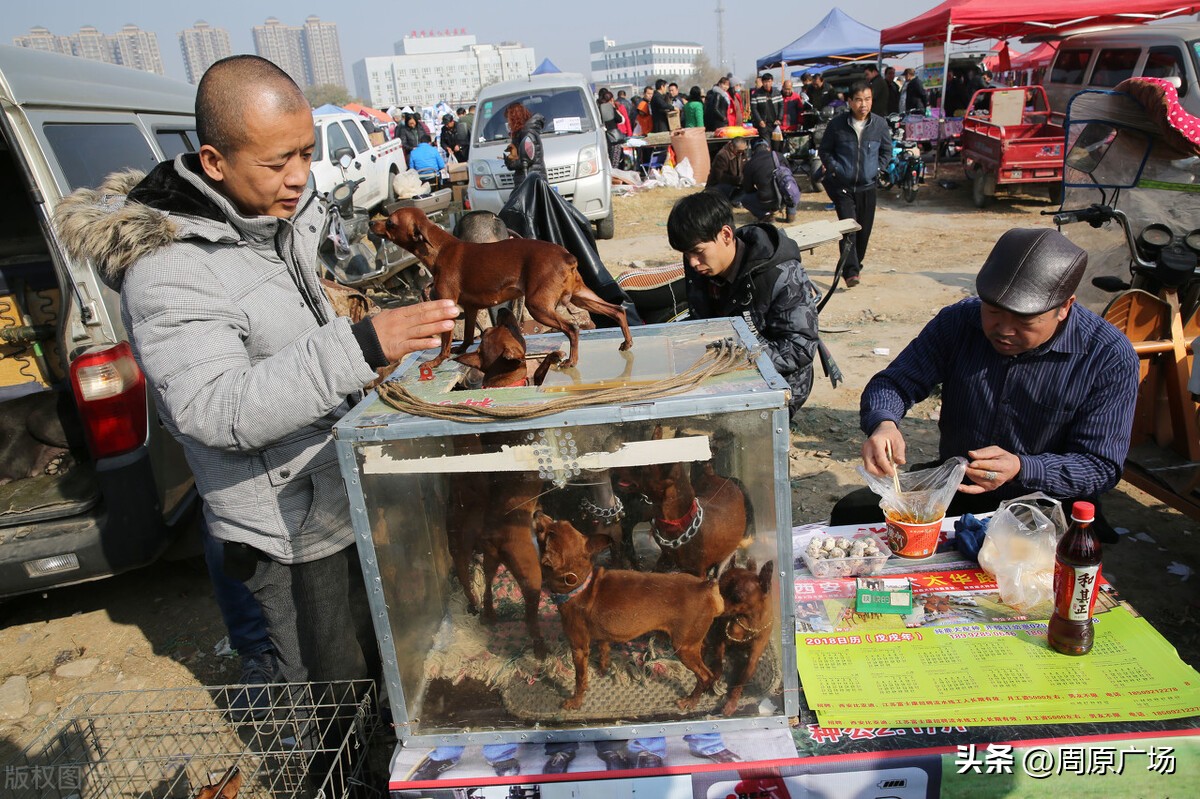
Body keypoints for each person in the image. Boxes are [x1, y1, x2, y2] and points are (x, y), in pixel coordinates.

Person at [57, 55, 459, 683]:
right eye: (278, 163)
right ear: (215, 163)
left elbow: (300, 324)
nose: (300, 177)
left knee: (387, 657)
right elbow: (215, 409)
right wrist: (360, 348)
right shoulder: (170, 268)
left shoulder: (276, 214)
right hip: (283, 526)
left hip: (340, 488)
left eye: (307, 151)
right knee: (330, 693)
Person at [832, 229, 1138, 542]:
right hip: (959, 488)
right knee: (850, 515)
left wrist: (1022, 467)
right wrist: (883, 423)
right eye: (993, 312)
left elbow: (1100, 465)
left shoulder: (1108, 356)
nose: (1003, 330)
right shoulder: (960, 322)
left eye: (1024, 321)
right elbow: (895, 381)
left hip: (1047, 507)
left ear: (1064, 307)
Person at [668, 191, 820, 416]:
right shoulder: (699, 266)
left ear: (726, 235)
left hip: (779, 380)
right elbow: (702, 323)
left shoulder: (780, 273)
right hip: (722, 366)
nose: (692, 262)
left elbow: (800, 347)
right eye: (686, 254)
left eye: (698, 252)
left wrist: (735, 359)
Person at [817, 80, 891, 288]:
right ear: (849, 102)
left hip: (868, 186)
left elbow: (886, 151)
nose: (863, 105)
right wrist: (836, 169)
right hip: (843, 186)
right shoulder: (837, 125)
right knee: (849, 228)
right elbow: (825, 151)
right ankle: (850, 272)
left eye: (867, 99)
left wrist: (878, 169)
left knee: (864, 230)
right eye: (858, 100)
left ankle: (855, 264)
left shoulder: (879, 124)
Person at [741, 138, 796, 223]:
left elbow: (748, 189)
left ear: (753, 151)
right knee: (792, 187)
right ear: (768, 148)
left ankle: (766, 216)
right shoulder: (779, 155)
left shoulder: (750, 164)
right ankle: (791, 213)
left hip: (767, 200)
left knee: (745, 199)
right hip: (787, 196)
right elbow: (790, 175)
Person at [502, 102, 546, 188]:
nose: (508, 122)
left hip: (529, 179)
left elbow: (528, 159)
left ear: (514, 118)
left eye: (509, 119)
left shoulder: (526, 132)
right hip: (531, 177)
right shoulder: (524, 131)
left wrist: (511, 163)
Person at [707, 136, 749, 202]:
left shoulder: (742, 154)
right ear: (731, 146)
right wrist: (738, 180)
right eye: (739, 151)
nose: (741, 153)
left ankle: (736, 200)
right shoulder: (722, 155)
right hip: (718, 185)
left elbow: (746, 169)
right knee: (726, 187)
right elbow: (720, 177)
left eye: (743, 150)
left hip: (735, 184)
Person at [750, 72, 781, 147]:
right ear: (762, 82)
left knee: (776, 146)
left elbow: (781, 106)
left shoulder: (777, 92)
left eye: (769, 81)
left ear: (772, 82)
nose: (767, 84)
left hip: (775, 124)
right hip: (764, 124)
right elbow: (754, 109)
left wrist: (779, 118)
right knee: (767, 145)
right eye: (765, 82)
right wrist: (760, 120)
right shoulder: (756, 94)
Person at [598, 87, 625, 168]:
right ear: (611, 99)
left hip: (602, 138)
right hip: (613, 138)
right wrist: (614, 108)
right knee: (615, 163)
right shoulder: (609, 107)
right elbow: (620, 119)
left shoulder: (597, 108)